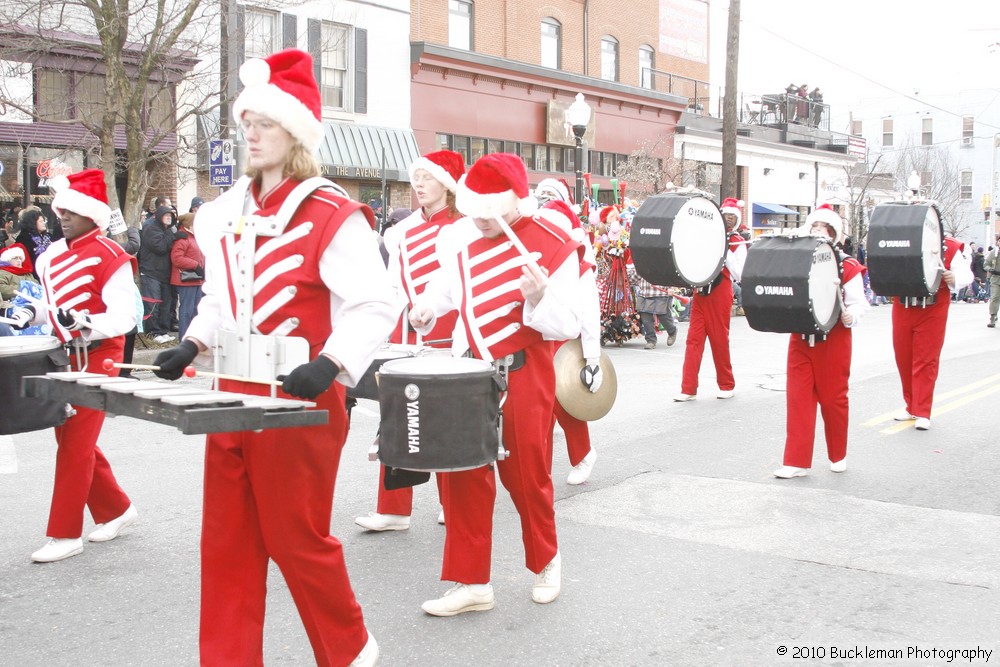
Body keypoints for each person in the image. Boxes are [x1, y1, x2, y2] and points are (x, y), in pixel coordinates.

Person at [152, 48, 391, 666]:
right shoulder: (228, 215)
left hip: (301, 399)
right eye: (247, 122)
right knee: (227, 543)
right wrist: (192, 343)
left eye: (266, 123)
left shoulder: (332, 213)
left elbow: (374, 304)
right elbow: (221, 297)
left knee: (296, 538)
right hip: (232, 392)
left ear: (297, 134)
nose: (251, 135)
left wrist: (331, 363)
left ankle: (350, 648)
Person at [409, 152, 589, 615]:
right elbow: (447, 289)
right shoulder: (463, 239)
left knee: (527, 476)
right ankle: (472, 582)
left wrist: (539, 297)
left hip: (524, 371)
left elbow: (566, 322)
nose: (481, 221)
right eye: (473, 210)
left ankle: (546, 560)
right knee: (463, 475)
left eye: (489, 212)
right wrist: (429, 307)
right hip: (468, 374)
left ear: (514, 201)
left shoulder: (553, 242)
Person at [8, 169, 138, 562]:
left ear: (93, 215)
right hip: (64, 357)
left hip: (101, 357)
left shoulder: (113, 255)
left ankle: (65, 533)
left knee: (75, 443)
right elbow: (53, 309)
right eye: (60, 209)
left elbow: (125, 318)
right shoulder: (50, 257)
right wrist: (32, 312)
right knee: (69, 438)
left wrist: (85, 323)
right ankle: (118, 509)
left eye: (71, 211)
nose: (62, 215)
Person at [354, 149, 467, 533]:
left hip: (448, 335)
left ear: (447, 185)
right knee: (396, 418)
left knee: (446, 420)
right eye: (416, 178)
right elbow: (390, 285)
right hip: (403, 332)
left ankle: (452, 504)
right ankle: (394, 508)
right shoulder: (398, 232)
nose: (418, 185)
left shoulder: (467, 228)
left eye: (427, 178)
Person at [773, 206, 869, 478]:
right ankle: (796, 461)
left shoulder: (847, 265)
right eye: (814, 227)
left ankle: (837, 454)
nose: (817, 232)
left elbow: (858, 302)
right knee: (798, 398)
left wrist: (853, 315)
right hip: (801, 337)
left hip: (834, 339)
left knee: (833, 399)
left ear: (834, 235)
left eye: (823, 229)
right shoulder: (797, 260)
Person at [890, 219, 973, 430]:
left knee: (926, 360)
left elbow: (966, 275)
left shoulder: (949, 246)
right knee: (904, 358)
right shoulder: (902, 241)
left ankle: (923, 411)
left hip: (933, 308)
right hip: (904, 306)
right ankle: (910, 406)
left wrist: (954, 276)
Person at [674, 197, 746, 401]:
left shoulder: (737, 242)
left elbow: (740, 274)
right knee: (693, 340)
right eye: (726, 216)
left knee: (719, 339)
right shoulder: (706, 237)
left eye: (733, 217)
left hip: (721, 291)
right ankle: (688, 388)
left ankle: (726, 384)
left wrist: (725, 251)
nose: (729, 220)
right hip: (700, 292)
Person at [139, 203, 177, 343]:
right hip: (150, 272)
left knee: (165, 304)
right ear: (160, 216)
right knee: (153, 303)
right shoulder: (151, 228)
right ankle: (153, 332)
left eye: (170, 216)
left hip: (164, 274)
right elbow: (160, 247)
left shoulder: (168, 231)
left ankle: (163, 330)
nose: (168, 218)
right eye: (166, 215)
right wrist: (174, 237)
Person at [169, 212, 204, 339]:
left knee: (195, 311)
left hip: (196, 279)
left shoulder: (193, 237)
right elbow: (176, 258)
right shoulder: (183, 239)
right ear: (189, 225)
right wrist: (195, 265)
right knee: (186, 311)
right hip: (186, 279)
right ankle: (184, 337)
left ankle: (193, 337)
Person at [627, 264, 678, 350]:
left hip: (661, 293)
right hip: (645, 294)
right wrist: (630, 271)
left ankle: (672, 331)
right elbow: (633, 279)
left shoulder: (662, 261)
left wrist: (671, 288)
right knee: (646, 319)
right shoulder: (642, 264)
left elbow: (670, 275)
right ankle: (651, 340)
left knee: (663, 317)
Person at [14, 206, 53, 279]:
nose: (44, 223)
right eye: (41, 221)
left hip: (51, 272)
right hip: (33, 275)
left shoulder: (49, 236)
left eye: (44, 221)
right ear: (33, 223)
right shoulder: (24, 238)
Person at [987, 236, 1000, 327]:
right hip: (996, 278)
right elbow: (986, 264)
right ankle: (992, 316)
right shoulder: (993, 253)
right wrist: (990, 269)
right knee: (994, 297)